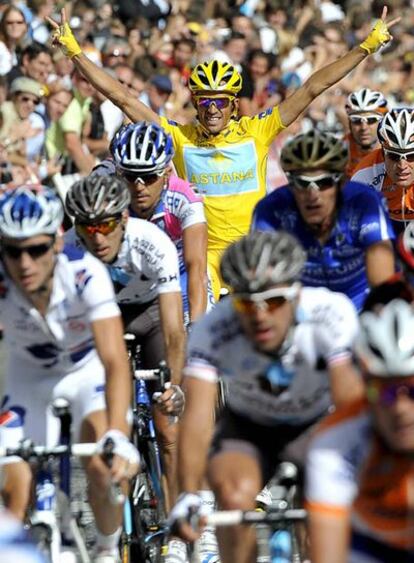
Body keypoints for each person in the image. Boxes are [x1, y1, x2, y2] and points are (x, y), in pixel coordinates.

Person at [48, 6, 399, 300]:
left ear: (233, 105)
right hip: (207, 257)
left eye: (219, 101)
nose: (212, 109)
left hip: (257, 249)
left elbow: (312, 87)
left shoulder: (256, 130)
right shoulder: (180, 137)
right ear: (195, 104)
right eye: (204, 101)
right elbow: (122, 97)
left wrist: (366, 46)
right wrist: (74, 52)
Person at [168, 231, 364, 563]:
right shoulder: (213, 329)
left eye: (272, 301)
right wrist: (187, 494)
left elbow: (351, 399)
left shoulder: (331, 313)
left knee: (322, 520)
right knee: (231, 498)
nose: (260, 315)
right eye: (246, 304)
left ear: (296, 296)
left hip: (316, 425)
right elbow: (197, 417)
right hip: (249, 426)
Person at [0, 185, 139, 563]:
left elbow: (114, 360)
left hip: (84, 372)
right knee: (14, 493)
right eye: (12, 251)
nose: (24, 263)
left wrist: (117, 433)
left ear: (57, 244)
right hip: (28, 379)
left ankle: (108, 549)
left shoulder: (85, 274)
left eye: (37, 249)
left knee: (100, 467)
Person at [64, 175, 186, 520]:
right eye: (87, 228)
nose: (97, 237)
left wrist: (173, 386)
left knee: (167, 425)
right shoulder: (67, 249)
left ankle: (176, 515)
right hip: (100, 322)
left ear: (124, 219)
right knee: (108, 427)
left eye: (106, 224)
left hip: (149, 317)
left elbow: (175, 329)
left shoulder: (152, 243)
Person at [306, 298, 414, 563]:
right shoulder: (333, 442)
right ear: (365, 391)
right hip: (372, 547)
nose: (400, 408)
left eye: (412, 390)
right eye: (384, 392)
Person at [252, 130, 396, 311]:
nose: (313, 195)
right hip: (301, 306)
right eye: (302, 183)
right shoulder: (271, 210)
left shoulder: (364, 203)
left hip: (360, 302)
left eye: (324, 183)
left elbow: (382, 287)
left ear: (341, 183)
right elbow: (258, 286)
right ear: (290, 184)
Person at [96, 121, 211, 325]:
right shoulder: (106, 193)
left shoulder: (184, 197)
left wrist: (196, 327)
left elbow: (197, 267)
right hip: (128, 282)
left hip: (178, 281)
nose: (139, 187)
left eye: (149, 177)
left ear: (166, 173)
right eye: (131, 176)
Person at [351, 108, 414, 234]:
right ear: (383, 152)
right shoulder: (365, 174)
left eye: (411, 156)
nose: (402, 165)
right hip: (384, 227)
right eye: (394, 156)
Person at [344, 87, 388, 179]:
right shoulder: (341, 148)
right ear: (349, 123)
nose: (364, 127)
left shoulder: (392, 150)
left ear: (383, 122)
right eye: (356, 120)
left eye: (371, 120)